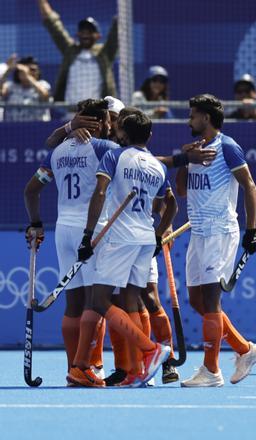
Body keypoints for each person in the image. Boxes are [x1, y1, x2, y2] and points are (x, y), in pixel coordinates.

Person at [67, 110, 175, 387]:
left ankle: (149, 350)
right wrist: (159, 233)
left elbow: (100, 192)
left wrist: (88, 235)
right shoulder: (158, 166)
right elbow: (171, 205)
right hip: (145, 237)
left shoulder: (114, 156)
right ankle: (136, 370)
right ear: (149, 136)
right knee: (130, 301)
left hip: (119, 236)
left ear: (122, 134)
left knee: (101, 300)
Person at [24, 99, 117, 381]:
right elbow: (142, 162)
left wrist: (36, 224)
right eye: (109, 122)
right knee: (95, 302)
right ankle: (84, 366)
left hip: (63, 229)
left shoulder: (57, 152)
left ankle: (74, 368)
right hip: (92, 230)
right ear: (98, 123)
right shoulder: (106, 148)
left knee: (74, 303)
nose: (112, 126)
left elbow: (31, 191)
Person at [175, 94, 256, 387]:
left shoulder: (227, 146)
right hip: (198, 232)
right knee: (197, 301)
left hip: (220, 230)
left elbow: (249, 186)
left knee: (212, 302)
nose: (189, 121)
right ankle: (244, 349)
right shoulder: (196, 149)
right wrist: (185, 160)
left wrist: (252, 230)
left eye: (193, 116)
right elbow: (183, 191)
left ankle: (211, 371)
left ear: (207, 119)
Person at [38, 0, 118, 103]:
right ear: (78, 34)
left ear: (98, 36)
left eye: (90, 31)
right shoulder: (70, 50)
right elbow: (53, 25)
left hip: (97, 113)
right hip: (71, 111)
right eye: (82, 31)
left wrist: (123, 8)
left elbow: (117, 29)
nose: (86, 34)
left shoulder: (105, 53)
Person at [1, 55, 51, 121]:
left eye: (33, 70)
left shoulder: (43, 84)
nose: (30, 72)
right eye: (23, 70)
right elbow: (1, 92)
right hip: (12, 128)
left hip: (38, 127)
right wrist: (8, 70)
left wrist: (27, 76)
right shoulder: (10, 86)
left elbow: (45, 96)